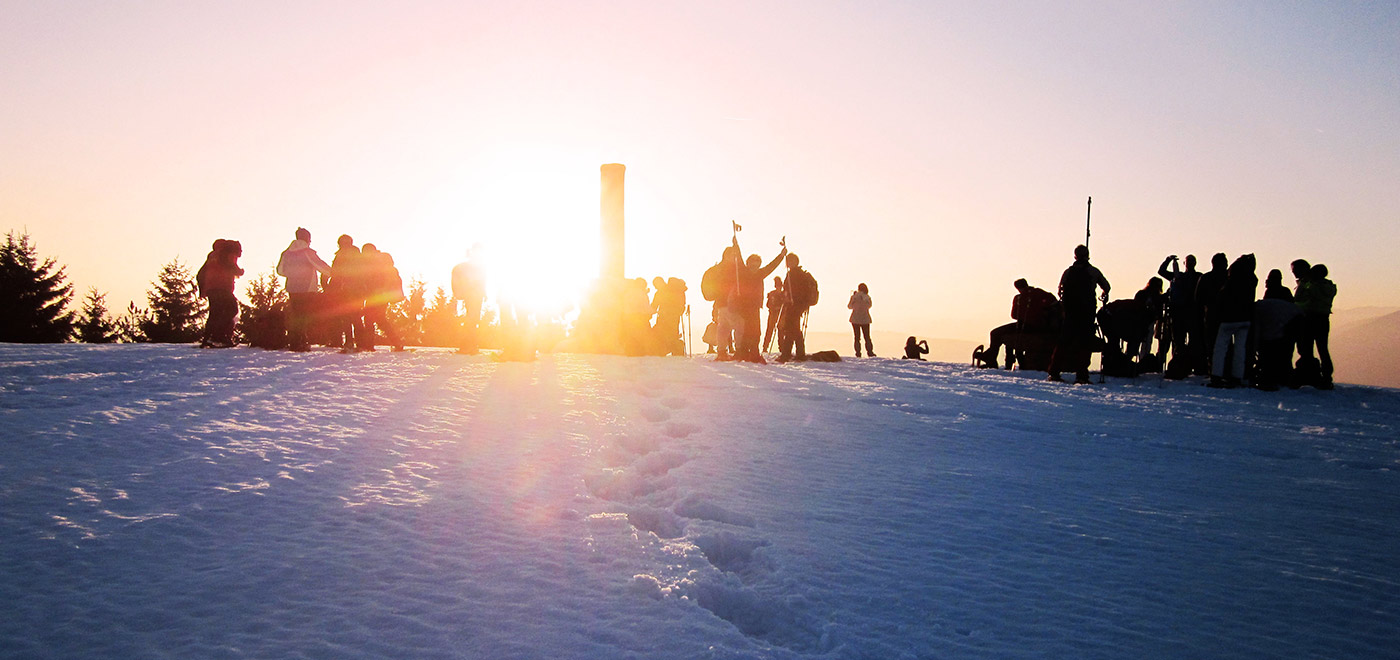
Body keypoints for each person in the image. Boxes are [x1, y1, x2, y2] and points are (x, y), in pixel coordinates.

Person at [1048, 245, 1110, 384]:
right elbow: (1106, 287)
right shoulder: (1093, 271)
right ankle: (1081, 376)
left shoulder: (1068, 272)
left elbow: (1060, 291)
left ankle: (1054, 372)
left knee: (1063, 343)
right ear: (1088, 255)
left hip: (1070, 313)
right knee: (1084, 344)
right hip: (1086, 313)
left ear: (1075, 256)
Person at [975, 278, 1057, 369]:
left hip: (1027, 326)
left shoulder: (1019, 298)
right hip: (1040, 326)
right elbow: (1054, 302)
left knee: (995, 333)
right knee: (1000, 333)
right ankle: (990, 356)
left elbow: (1014, 315)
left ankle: (991, 358)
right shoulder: (1040, 293)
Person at [276, 228, 331, 351]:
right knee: (304, 316)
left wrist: (292, 274)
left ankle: (294, 341)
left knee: (296, 314)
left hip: (292, 288)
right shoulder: (307, 252)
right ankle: (300, 342)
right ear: (307, 239)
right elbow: (321, 266)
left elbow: (280, 271)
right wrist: (335, 273)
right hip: (307, 289)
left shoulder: (286, 253)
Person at [733, 245, 788, 362]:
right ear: (748, 264)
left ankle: (751, 352)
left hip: (754, 306)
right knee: (748, 329)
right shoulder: (746, 272)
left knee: (755, 330)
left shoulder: (759, 273)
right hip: (745, 306)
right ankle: (746, 352)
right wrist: (736, 245)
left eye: (757, 263)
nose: (755, 266)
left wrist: (781, 256)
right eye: (753, 263)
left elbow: (771, 266)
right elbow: (739, 257)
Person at [1209, 254, 1257, 388]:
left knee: (1220, 348)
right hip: (1245, 318)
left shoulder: (1231, 282)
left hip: (1228, 318)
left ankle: (1217, 375)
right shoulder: (1252, 280)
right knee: (1240, 349)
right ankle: (1237, 376)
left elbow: (1221, 299)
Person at [1158, 255, 1201, 378]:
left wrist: (1168, 260)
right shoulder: (1198, 277)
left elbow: (1161, 271)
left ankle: (1180, 365)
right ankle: (1191, 366)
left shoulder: (1178, 276)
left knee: (1179, 341)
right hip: (1192, 313)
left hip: (1179, 313)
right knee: (1192, 341)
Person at [1295, 263, 1337, 389]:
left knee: (1307, 348)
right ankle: (1327, 377)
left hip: (1310, 319)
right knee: (1323, 349)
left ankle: (1308, 375)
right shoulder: (1330, 287)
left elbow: (1300, 299)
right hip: (1324, 319)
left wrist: (1302, 284)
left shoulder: (1312, 287)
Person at [196, 239, 244, 348]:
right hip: (222, 288)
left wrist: (202, 289)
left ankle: (207, 339)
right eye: (240, 250)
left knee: (214, 313)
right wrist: (239, 271)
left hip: (211, 289)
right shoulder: (227, 253)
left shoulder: (213, 255)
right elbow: (230, 267)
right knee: (232, 309)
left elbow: (201, 273)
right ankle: (219, 337)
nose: (240, 253)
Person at [324, 235, 367, 353]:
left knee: (347, 316)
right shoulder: (358, 256)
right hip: (358, 290)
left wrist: (329, 285)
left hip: (346, 290)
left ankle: (349, 342)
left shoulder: (341, 255)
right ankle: (361, 343)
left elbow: (335, 273)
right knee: (356, 316)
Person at [360, 243, 405, 351]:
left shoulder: (375, 263)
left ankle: (369, 345)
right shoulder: (381, 261)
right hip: (382, 296)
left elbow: (375, 281)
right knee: (380, 320)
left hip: (377, 296)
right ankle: (396, 342)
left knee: (370, 319)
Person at [777, 252, 819, 363]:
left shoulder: (795, 274)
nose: (789, 263)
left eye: (791, 261)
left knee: (791, 328)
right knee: (792, 328)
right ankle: (796, 353)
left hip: (795, 305)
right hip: (798, 305)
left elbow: (796, 291)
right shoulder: (794, 274)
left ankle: (789, 354)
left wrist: (789, 298)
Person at [1194, 253, 1229, 376]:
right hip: (1226, 315)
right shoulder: (1228, 278)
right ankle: (1225, 369)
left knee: (1211, 344)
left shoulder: (1206, 278)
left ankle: (1213, 369)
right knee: (1227, 344)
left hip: (1210, 315)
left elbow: (1198, 299)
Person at [451, 247, 487, 354]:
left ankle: (470, 345)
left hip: (474, 296)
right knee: (472, 320)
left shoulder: (477, 267)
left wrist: (484, 293)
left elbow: (482, 281)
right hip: (472, 295)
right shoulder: (465, 267)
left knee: (473, 320)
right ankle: (469, 345)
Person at [848, 283, 874, 357]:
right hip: (865, 319)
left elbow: (849, 306)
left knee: (857, 337)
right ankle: (870, 352)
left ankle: (858, 353)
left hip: (855, 319)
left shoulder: (854, 296)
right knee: (867, 337)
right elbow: (869, 306)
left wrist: (853, 298)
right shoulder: (867, 297)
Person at [763, 276, 784, 352]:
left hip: (780, 315)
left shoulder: (783, 294)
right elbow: (768, 304)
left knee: (781, 332)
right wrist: (774, 308)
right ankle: (765, 347)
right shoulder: (772, 294)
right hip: (773, 314)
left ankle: (781, 348)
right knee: (770, 331)